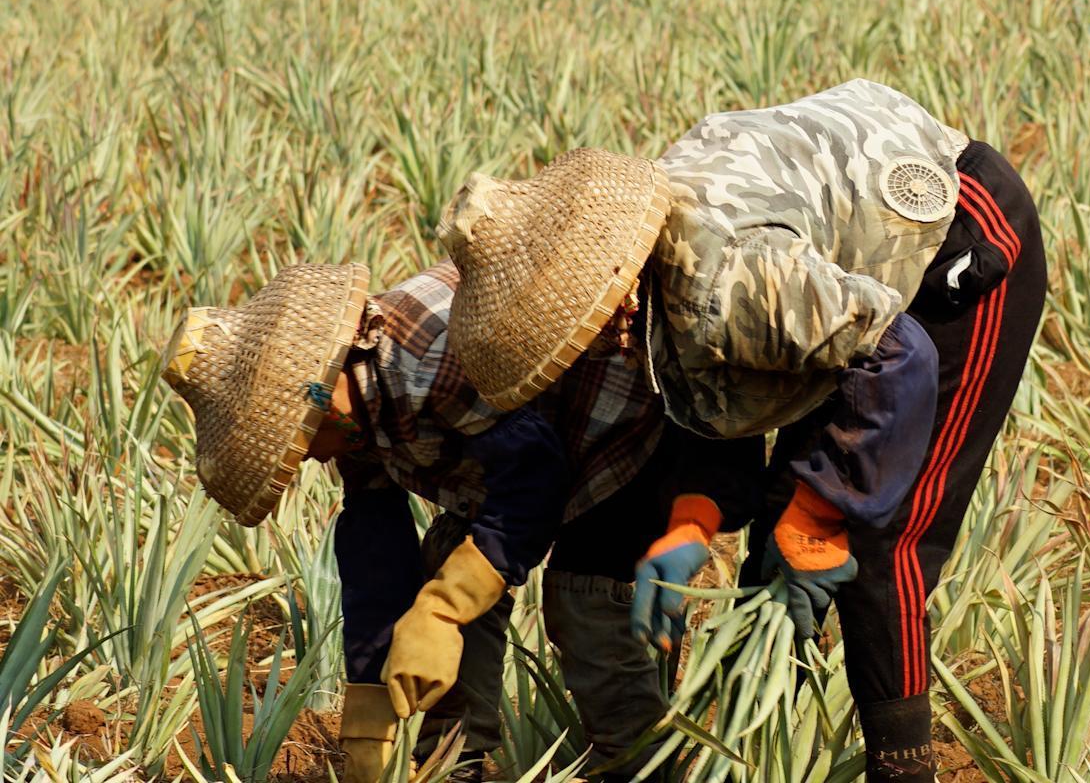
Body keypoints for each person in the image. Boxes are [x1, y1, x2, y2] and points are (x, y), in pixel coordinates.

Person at [439, 80, 1048, 782]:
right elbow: (719, 385)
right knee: (774, 540)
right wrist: (691, 526)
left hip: (960, 244)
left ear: (598, 297)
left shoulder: (727, 280)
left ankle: (904, 769)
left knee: (881, 542)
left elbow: (895, 355)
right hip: (839, 278)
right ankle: (757, 758)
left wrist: (822, 514)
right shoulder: (642, 268)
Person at [160, 158, 719, 783]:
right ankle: (454, 761)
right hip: (523, 463)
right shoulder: (350, 413)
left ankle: (645, 768)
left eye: (299, 440)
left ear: (320, 387)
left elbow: (532, 490)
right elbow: (376, 553)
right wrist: (370, 706)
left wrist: (448, 609)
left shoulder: (432, 365)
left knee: (584, 608)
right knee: (442, 565)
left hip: (623, 434)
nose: (307, 457)